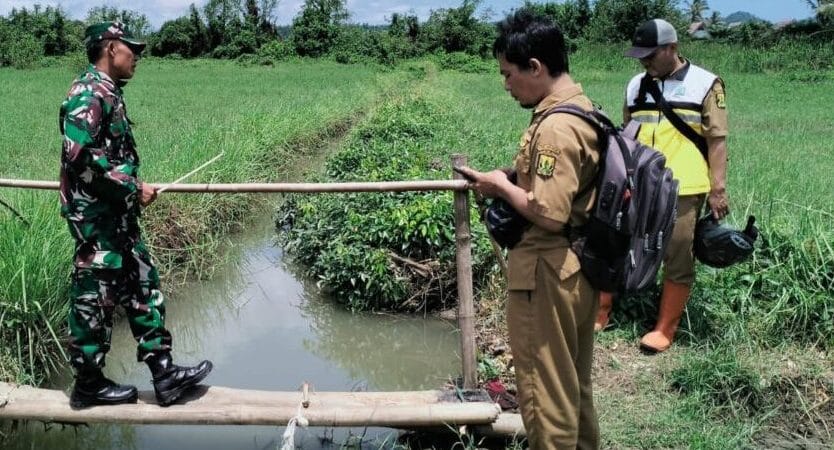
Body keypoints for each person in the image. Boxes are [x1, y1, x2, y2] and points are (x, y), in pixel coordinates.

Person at [458, 9, 601, 449]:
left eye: (508, 74)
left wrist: (501, 187)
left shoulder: (556, 127)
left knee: (544, 395)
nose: (505, 85)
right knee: (571, 388)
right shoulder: (582, 109)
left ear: (535, 67)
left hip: (545, 270)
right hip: (573, 269)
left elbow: (550, 212)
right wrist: (511, 178)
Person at [60, 22, 213, 408]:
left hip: (119, 217)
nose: (137, 58)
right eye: (132, 50)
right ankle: (88, 385)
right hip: (96, 219)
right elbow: (78, 155)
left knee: (143, 283)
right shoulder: (89, 91)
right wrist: (131, 186)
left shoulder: (110, 91)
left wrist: (128, 191)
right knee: (95, 294)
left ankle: (164, 374)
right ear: (111, 48)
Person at [594, 19, 729, 353]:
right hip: (638, 182)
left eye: (650, 55)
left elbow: (717, 140)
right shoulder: (635, 85)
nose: (644, 62)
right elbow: (628, 134)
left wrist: (718, 189)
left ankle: (665, 329)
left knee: (677, 253)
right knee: (614, 242)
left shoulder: (705, 84)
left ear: (672, 48)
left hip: (684, 184)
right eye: (640, 56)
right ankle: (601, 311)